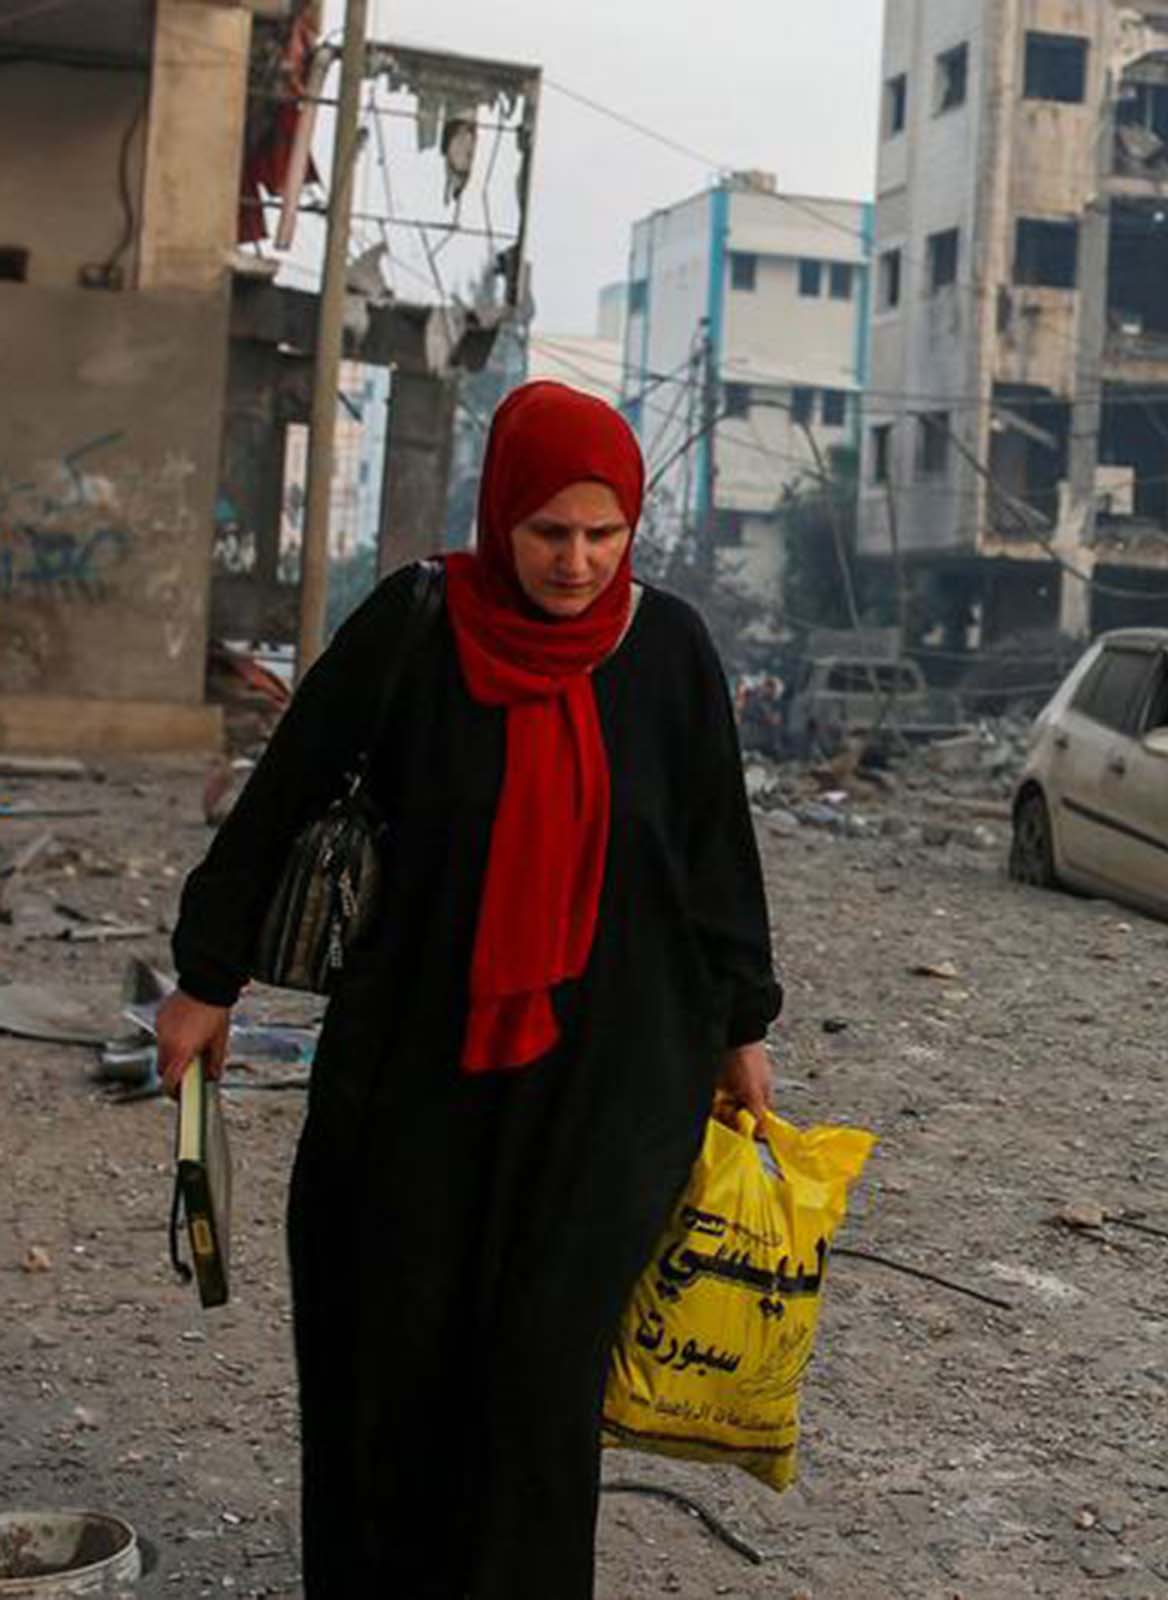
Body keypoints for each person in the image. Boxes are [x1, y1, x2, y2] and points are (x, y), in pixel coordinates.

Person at [156, 381, 782, 1597]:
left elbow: (716, 850)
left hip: (614, 1080)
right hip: (417, 1066)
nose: (577, 561)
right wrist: (204, 979)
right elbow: (284, 789)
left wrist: (740, 1027)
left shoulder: (669, 651)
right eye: (550, 532)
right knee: (390, 1349)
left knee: (543, 1373)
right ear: (502, 515)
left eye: (604, 534)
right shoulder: (417, 622)